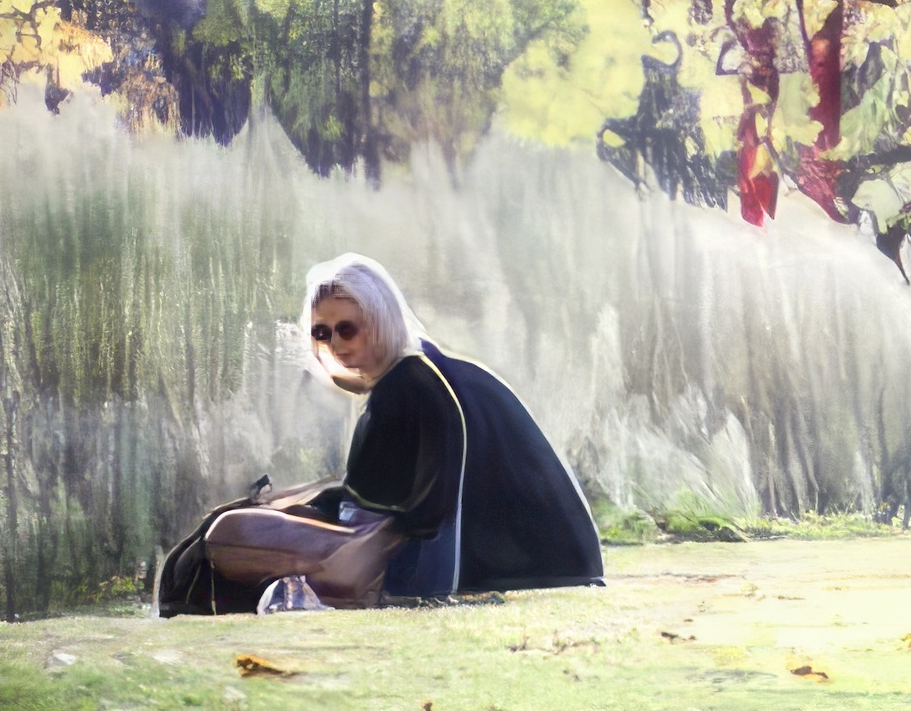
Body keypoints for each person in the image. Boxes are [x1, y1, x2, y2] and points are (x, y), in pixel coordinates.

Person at [157, 254, 603, 615]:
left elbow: (415, 511)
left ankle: (294, 587)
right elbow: (371, 494)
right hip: (415, 551)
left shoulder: (411, 384)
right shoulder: (409, 379)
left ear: (378, 319)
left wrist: (325, 523)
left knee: (230, 530)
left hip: (416, 562)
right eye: (321, 333)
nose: (333, 343)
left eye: (346, 328)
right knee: (246, 522)